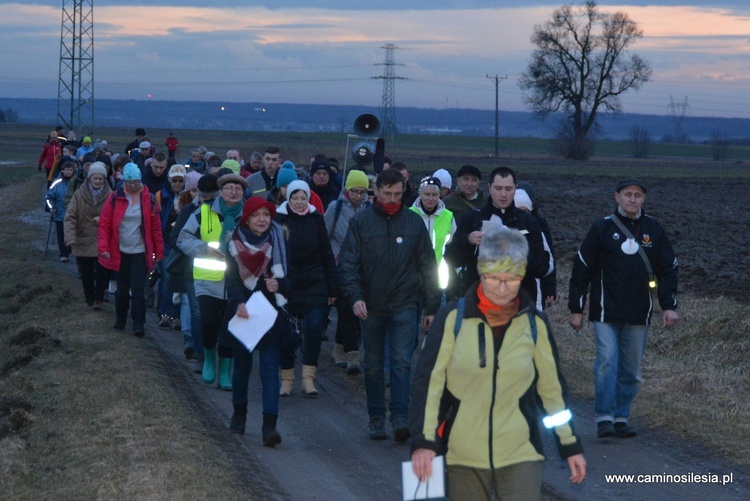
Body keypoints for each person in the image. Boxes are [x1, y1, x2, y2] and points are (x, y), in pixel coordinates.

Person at [409, 225, 586, 500]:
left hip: (521, 453)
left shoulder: (534, 324)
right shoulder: (453, 320)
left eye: (512, 279)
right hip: (463, 454)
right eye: (494, 278)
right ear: (481, 272)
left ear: (522, 275)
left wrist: (570, 445)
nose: (503, 288)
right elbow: (429, 384)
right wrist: (423, 442)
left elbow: (551, 393)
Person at [568, 178, 679, 439]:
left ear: (643, 199)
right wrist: (576, 309)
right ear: (617, 197)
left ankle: (620, 416)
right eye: (628, 194)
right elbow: (581, 268)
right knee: (607, 362)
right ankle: (604, 417)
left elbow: (668, 268)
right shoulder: (602, 228)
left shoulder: (654, 229)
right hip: (605, 311)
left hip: (640, 313)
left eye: (638, 195)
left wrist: (668, 306)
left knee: (632, 371)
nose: (632, 199)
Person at [339, 168, 441, 441]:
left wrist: (431, 308)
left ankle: (400, 417)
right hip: (370, 306)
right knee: (372, 365)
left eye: (398, 194)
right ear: (377, 192)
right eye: (387, 194)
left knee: (401, 362)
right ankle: (375, 417)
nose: (393, 199)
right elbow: (348, 265)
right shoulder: (360, 224)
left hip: (405, 304)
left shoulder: (413, 223)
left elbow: (428, 267)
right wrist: (355, 297)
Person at [225, 197, 290, 446]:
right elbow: (231, 278)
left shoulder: (279, 240)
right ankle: (239, 412)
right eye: (256, 215)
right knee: (242, 368)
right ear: (247, 218)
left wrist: (280, 284)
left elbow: (290, 280)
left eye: (266, 214)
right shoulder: (235, 242)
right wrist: (237, 302)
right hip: (244, 312)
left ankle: (269, 427)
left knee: (269, 370)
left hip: (271, 313)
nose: (262, 220)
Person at [177, 173, 248, 390]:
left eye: (238, 188)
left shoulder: (249, 215)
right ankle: (209, 357)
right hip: (207, 279)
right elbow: (183, 238)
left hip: (237, 282)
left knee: (229, 328)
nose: (233, 191)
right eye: (229, 187)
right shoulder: (204, 212)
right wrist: (202, 249)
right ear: (220, 190)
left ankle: (225, 370)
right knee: (208, 322)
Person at [444, 166, 552, 304]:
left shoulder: (528, 222)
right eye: (498, 188)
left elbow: (542, 267)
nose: (503, 194)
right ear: (490, 187)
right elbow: (450, 259)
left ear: (515, 189)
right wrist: (468, 240)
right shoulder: (472, 218)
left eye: (508, 189)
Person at [275, 180, 338, 397]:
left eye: (303, 198)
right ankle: (287, 379)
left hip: (315, 283)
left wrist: (332, 288)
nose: (299, 202)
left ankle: (308, 378)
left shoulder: (316, 220)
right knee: (287, 335)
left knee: (313, 329)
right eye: (295, 198)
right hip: (288, 284)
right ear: (288, 198)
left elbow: (327, 254)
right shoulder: (279, 219)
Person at [98, 163, 164, 338]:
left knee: (137, 288)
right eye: (130, 182)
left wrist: (159, 252)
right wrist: (103, 247)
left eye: (136, 182)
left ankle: (138, 323)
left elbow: (156, 228)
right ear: (124, 182)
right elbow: (104, 224)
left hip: (140, 251)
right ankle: (120, 319)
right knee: (121, 288)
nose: (133, 186)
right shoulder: (114, 198)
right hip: (120, 250)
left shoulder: (149, 199)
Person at [325, 169, 371, 374]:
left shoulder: (370, 209)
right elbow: (325, 235)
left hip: (361, 266)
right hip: (339, 264)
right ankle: (352, 352)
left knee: (355, 307)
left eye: (363, 192)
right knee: (345, 306)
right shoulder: (336, 208)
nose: (359, 196)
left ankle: (339, 347)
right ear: (347, 190)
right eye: (355, 191)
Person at [63, 163, 112, 309]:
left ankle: (99, 299)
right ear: (90, 178)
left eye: (100, 179)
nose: (97, 181)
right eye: (95, 178)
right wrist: (70, 238)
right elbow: (70, 217)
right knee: (86, 273)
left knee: (103, 271)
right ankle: (89, 299)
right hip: (83, 237)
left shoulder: (111, 195)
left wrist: (102, 220)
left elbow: (116, 216)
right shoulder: (79, 195)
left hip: (103, 238)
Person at [409, 176, 457, 292]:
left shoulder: (448, 216)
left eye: (434, 195)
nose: (430, 198)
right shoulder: (409, 214)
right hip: (413, 275)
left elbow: (452, 242)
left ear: (440, 195)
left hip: (438, 277)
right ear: (420, 194)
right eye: (427, 194)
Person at [155, 163, 187, 330]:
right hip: (165, 244)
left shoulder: (189, 197)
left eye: (180, 180)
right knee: (166, 277)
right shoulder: (160, 196)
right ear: (169, 179)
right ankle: (164, 313)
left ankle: (176, 315)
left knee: (179, 279)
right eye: (174, 180)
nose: (177, 184)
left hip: (183, 245)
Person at [514, 185, 557, 310]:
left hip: (533, 286)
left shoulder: (538, 225)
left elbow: (548, 257)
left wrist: (549, 287)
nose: (522, 213)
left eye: (524, 210)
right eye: (518, 209)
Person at [46, 160, 76, 262]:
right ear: (62, 171)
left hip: (73, 214)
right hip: (59, 214)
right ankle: (63, 254)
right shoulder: (56, 183)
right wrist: (51, 207)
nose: (69, 172)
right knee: (61, 235)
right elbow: (49, 197)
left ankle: (69, 251)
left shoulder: (76, 183)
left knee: (71, 234)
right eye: (67, 170)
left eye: (71, 170)